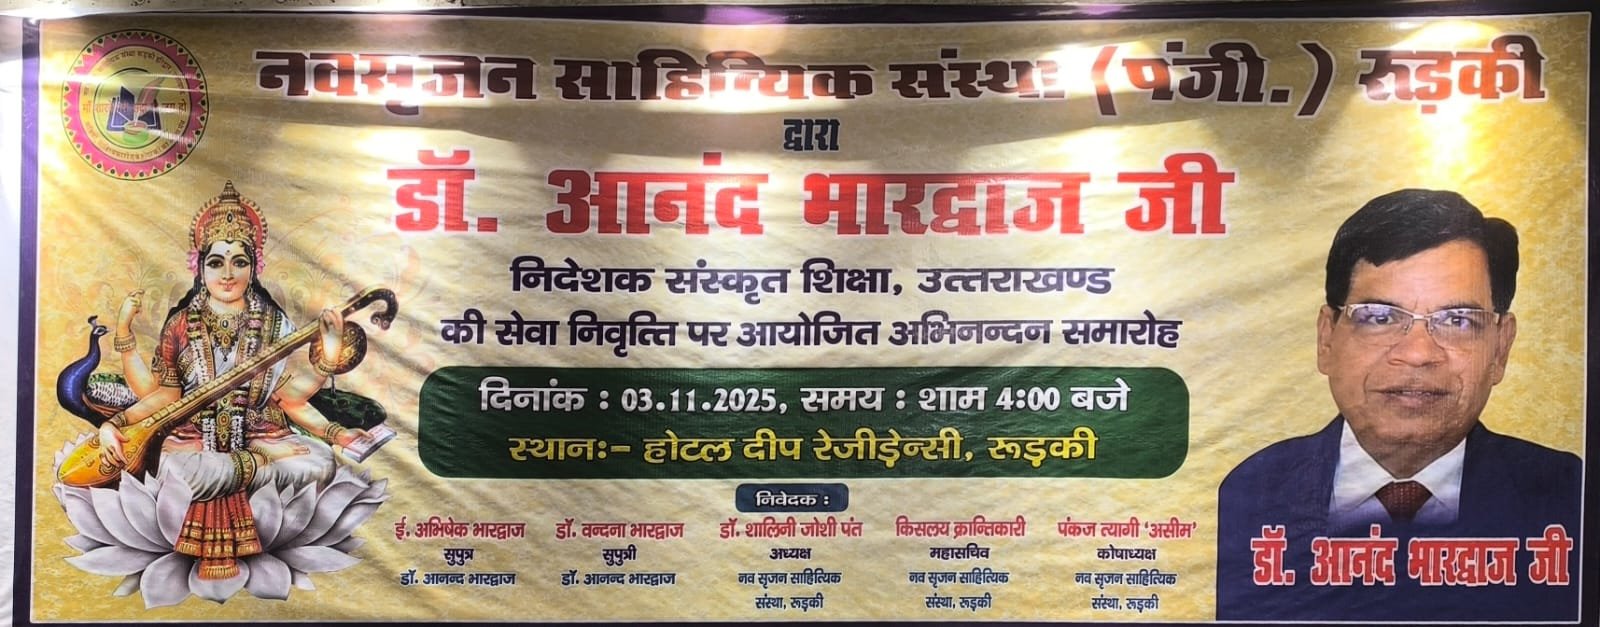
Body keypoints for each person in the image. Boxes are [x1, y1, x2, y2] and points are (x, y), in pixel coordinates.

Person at [1215, 189, 1580, 621]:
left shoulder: (1569, 496)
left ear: (1500, 349)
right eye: (1379, 317)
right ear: (1327, 339)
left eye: (1457, 320)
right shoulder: (1250, 491)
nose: (1418, 354)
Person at [95, 182, 373, 580]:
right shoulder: (180, 325)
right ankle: (249, 472)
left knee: (319, 462)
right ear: (201, 268)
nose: (228, 275)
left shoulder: (274, 324)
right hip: (195, 443)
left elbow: (289, 399)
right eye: (216, 263)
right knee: (183, 471)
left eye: (239, 262)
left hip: (259, 436)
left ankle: (243, 473)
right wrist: (115, 424)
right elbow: (166, 397)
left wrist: (335, 423)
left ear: (252, 268)